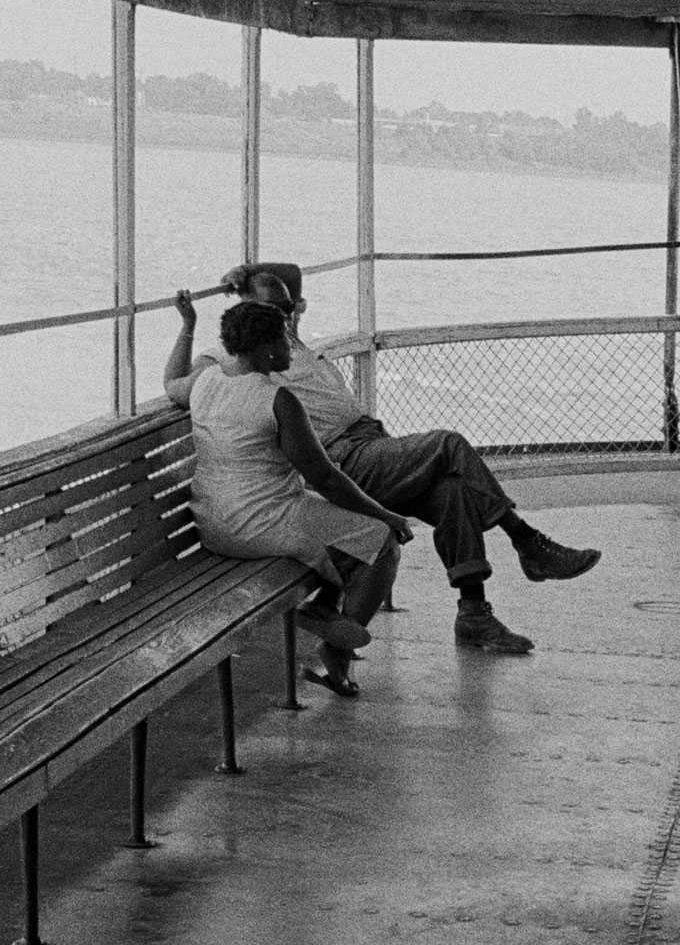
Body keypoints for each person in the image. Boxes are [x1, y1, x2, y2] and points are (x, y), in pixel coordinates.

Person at [218, 260, 600, 657]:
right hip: (344, 460)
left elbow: (289, 271)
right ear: (249, 317)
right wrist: (198, 317)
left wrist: (247, 270)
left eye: (288, 307)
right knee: (448, 445)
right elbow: (180, 381)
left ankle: (474, 615)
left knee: (454, 492)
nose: (284, 316)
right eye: (271, 310)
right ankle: (528, 542)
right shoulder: (242, 356)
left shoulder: (288, 340)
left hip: (370, 444)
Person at [164, 291, 412, 698]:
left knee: (336, 528)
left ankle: (325, 610)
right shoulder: (279, 400)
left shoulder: (206, 383)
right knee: (381, 543)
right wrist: (387, 515)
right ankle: (336, 651)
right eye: (280, 340)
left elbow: (172, 382)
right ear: (263, 350)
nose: (287, 348)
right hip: (263, 523)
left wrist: (187, 326)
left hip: (212, 523)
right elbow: (327, 478)